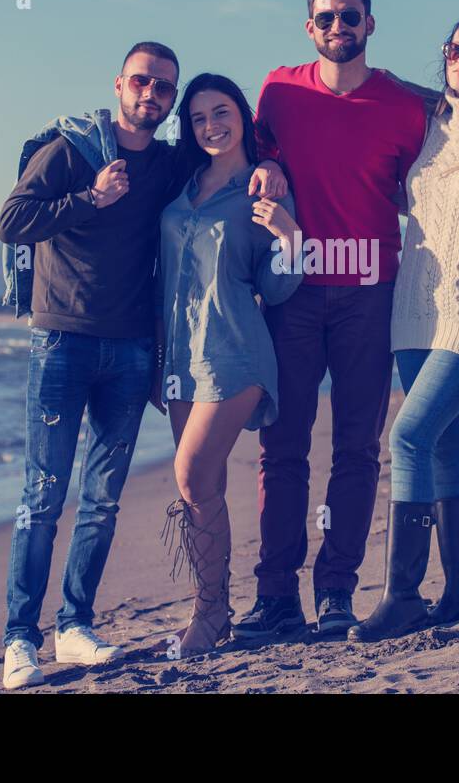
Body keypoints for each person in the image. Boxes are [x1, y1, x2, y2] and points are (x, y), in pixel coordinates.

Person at [0, 44, 285, 689]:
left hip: (132, 352)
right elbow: (10, 222)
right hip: (63, 341)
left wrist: (269, 167)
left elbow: (227, 148)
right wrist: (87, 201)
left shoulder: (167, 165)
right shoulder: (71, 150)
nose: (152, 94)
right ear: (119, 84)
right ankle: (21, 638)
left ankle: (75, 625)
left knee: (101, 499)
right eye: (142, 82)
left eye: (164, 88)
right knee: (43, 496)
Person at [236, 0, 433, 640]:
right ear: (309, 27)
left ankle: (337, 592)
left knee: (357, 447)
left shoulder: (405, 106)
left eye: (351, 17)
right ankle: (275, 595)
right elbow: (253, 157)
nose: (339, 28)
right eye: (326, 18)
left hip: (370, 296)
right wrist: (272, 169)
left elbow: (434, 177)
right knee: (281, 446)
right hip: (292, 292)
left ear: (370, 24)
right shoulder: (279, 91)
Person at [347, 10, 459, 641]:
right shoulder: (427, 125)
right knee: (448, 444)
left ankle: (401, 594)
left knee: (408, 438)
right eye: (454, 49)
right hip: (412, 311)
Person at [157, 74, 304, 656]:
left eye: (222, 112)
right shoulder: (182, 182)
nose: (211, 125)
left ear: (242, 116)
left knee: (190, 476)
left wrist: (291, 238)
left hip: (234, 349)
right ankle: (212, 612)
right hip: (177, 355)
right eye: (198, 118)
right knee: (205, 487)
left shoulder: (263, 188)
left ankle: (211, 611)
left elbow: (278, 287)